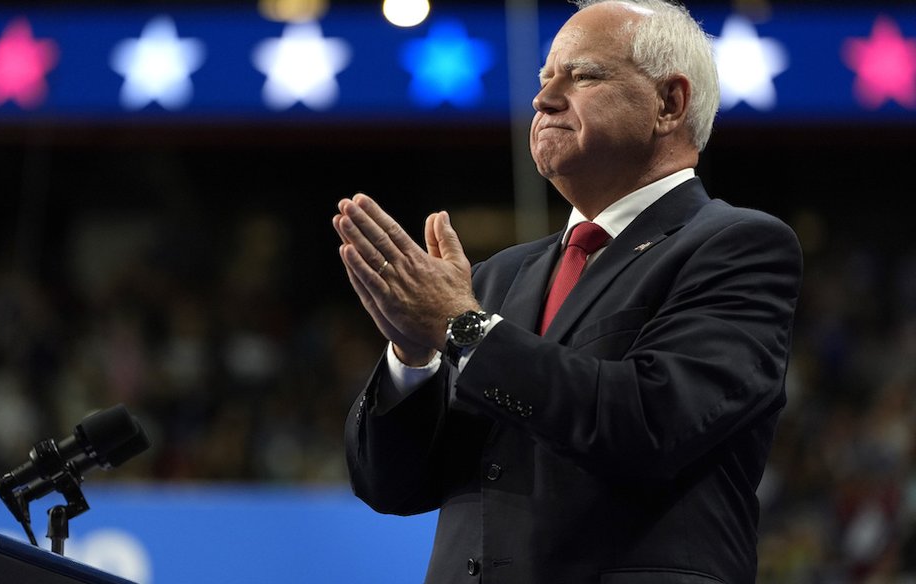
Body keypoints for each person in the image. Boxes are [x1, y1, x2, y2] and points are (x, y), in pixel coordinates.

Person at [332, 0, 803, 581]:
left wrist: (461, 327)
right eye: (544, 78)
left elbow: (649, 424)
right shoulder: (496, 278)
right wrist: (413, 355)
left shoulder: (738, 246)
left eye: (582, 75)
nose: (543, 98)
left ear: (669, 103)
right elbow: (392, 486)